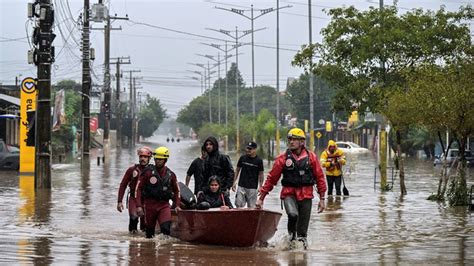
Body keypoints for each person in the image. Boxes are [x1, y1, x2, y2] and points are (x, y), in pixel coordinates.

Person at [256, 128, 326, 249]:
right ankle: (291, 240)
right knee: (293, 215)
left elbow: (320, 177)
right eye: (290, 139)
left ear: (302, 142)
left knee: (303, 232)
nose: (291, 142)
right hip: (289, 194)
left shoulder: (312, 158)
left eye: (294, 139)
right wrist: (261, 197)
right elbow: (272, 179)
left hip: (306, 196)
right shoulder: (283, 159)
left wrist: (322, 198)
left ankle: (302, 253)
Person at [136, 146, 181, 238]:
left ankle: (164, 251)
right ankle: (149, 250)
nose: (158, 161)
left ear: (165, 160)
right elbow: (138, 189)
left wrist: (177, 205)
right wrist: (139, 206)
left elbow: (177, 191)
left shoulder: (171, 175)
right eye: (156, 159)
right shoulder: (147, 172)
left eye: (160, 159)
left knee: (165, 229)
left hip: (164, 205)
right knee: (149, 234)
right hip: (150, 206)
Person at [117, 146, 153, 234]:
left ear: (149, 158)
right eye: (141, 157)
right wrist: (119, 201)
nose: (142, 159)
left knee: (145, 224)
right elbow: (123, 185)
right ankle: (132, 242)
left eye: (145, 157)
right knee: (133, 218)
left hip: (147, 199)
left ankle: (144, 245)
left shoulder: (153, 171)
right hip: (134, 197)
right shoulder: (132, 170)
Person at [232, 141, 264, 208]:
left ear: (255, 149)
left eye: (250, 149)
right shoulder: (242, 158)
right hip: (241, 186)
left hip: (252, 188)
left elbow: (261, 174)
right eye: (247, 148)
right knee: (238, 205)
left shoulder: (259, 161)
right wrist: (233, 182)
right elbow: (237, 170)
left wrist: (260, 186)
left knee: (252, 207)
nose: (248, 150)